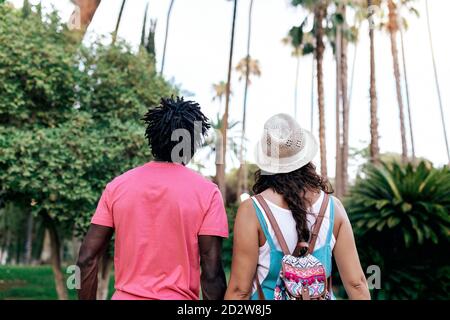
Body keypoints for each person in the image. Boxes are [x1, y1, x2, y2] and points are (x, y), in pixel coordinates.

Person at [77, 97, 228, 300]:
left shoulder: (117, 187)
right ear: (191, 145)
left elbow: (86, 259)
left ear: (153, 139)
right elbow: (212, 274)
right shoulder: (207, 193)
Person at [225, 113, 370, 300]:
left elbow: (240, 291)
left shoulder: (253, 210)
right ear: (305, 157)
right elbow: (357, 284)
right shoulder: (334, 208)